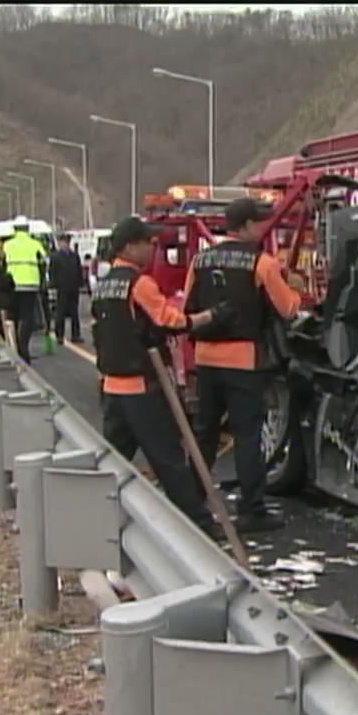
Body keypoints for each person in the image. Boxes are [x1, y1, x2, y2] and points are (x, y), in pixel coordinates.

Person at [92, 216, 224, 540]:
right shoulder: (139, 284)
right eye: (147, 243)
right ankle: (198, 524)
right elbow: (170, 321)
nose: (152, 248)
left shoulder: (105, 284)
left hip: (112, 385)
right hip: (142, 386)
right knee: (169, 460)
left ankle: (95, 517)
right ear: (129, 246)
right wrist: (209, 317)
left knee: (113, 461)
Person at [184, 197, 305, 534]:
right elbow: (288, 309)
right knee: (246, 435)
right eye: (259, 222)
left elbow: (188, 304)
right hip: (243, 359)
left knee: (205, 434)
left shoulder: (200, 260)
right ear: (248, 225)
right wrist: (297, 289)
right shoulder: (262, 264)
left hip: (206, 357)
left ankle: (192, 501)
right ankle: (251, 510)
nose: (262, 228)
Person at [3, 215, 48, 363]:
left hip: (11, 285)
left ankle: (13, 347)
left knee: (13, 317)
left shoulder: (7, 244)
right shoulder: (35, 244)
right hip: (30, 284)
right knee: (26, 318)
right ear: (27, 228)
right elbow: (45, 261)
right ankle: (24, 349)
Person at [50, 232, 86, 344]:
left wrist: (81, 283)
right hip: (62, 287)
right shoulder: (55, 256)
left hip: (73, 287)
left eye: (67, 242)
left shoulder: (74, 256)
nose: (65, 244)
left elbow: (79, 270)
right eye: (63, 242)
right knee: (60, 312)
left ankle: (76, 335)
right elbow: (52, 272)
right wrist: (53, 285)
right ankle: (59, 335)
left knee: (74, 312)